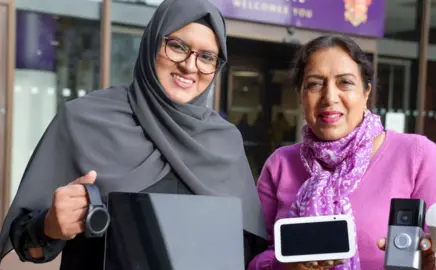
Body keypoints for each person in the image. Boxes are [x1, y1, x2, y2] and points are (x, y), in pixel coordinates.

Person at [0, 0, 267, 269]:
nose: (189, 65)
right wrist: (50, 226)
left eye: (206, 56)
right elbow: (28, 245)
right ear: (152, 42)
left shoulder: (224, 142)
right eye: (177, 46)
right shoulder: (85, 120)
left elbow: (248, 252)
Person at [248, 35, 436, 270]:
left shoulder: (417, 156)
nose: (330, 97)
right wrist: (284, 266)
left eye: (345, 82)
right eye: (314, 84)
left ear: (366, 92)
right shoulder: (281, 164)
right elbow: (251, 259)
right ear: (301, 96)